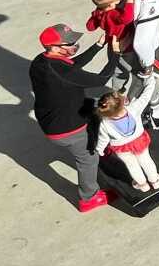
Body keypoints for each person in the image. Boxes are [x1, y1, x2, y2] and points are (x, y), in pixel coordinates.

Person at [28, 24, 110, 213]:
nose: (75, 45)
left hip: (53, 116)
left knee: (99, 106)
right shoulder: (60, 69)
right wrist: (113, 54)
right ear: (55, 47)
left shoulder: (41, 61)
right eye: (71, 43)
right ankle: (89, 198)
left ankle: (103, 143)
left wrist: (97, 46)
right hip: (67, 128)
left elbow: (73, 65)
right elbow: (101, 79)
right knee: (88, 159)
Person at [93, 90, 159, 195]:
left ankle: (143, 185)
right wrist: (150, 80)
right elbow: (145, 96)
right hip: (139, 141)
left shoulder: (105, 123)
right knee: (146, 161)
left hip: (121, 148)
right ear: (122, 101)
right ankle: (155, 181)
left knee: (132, 165)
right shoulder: (133, 108)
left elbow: (103, 139)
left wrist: (100, 150)